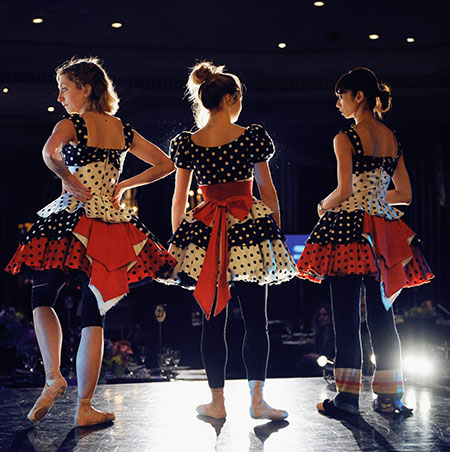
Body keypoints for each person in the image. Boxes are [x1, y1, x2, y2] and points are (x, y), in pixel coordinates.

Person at [5, 57, 176, 426]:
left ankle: (53, 375)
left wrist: (66, 177)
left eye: (65, 88)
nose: (61, 95)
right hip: (109, 222)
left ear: (86, 88)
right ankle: (84, 407)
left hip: (71, 216)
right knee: (94, 312)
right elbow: (166, 164)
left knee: (41, 297)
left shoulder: (71, 124)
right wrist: (124, 184)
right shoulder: (122, 129)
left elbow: (48, 153)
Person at [162, 61, 298, 420]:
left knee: (212, 317)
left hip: (207, 232)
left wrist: (181, 245)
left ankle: (217, 403)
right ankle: (257, 402)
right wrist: (275, 238)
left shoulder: (189, 143)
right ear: (232, 97)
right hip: (248, 227)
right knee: (257, 319)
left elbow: (179, 201)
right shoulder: (251, 136)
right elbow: (268, 194)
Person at [297, 67, 434, 417]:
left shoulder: (346, 136)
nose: (338, 103)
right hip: (384, 231)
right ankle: (391, 399)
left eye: (341, 96)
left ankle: (345, 398)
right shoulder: (393, 138)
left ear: (358, 96)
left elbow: (343, 192)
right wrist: (374, 197)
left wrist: (321, 205)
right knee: (383, 317)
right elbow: (404, 194)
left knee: (345, 317)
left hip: (348, 230)